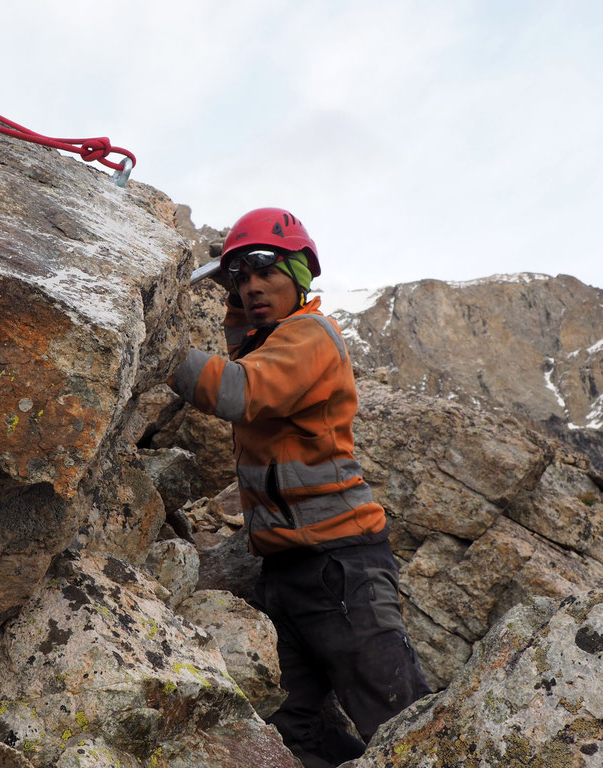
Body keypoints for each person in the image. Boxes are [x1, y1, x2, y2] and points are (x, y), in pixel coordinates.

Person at [168, 207, 430, 767]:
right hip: (287, 574)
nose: (252, 286)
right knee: (292, 732)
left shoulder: (310, 336)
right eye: (240, 277)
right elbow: (247, 355)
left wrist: (158, 347)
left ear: (301, 274)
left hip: (341, 567)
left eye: (266, 270)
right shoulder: (270, 343)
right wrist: (236, 305)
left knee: (403, 726)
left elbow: (239, 390)